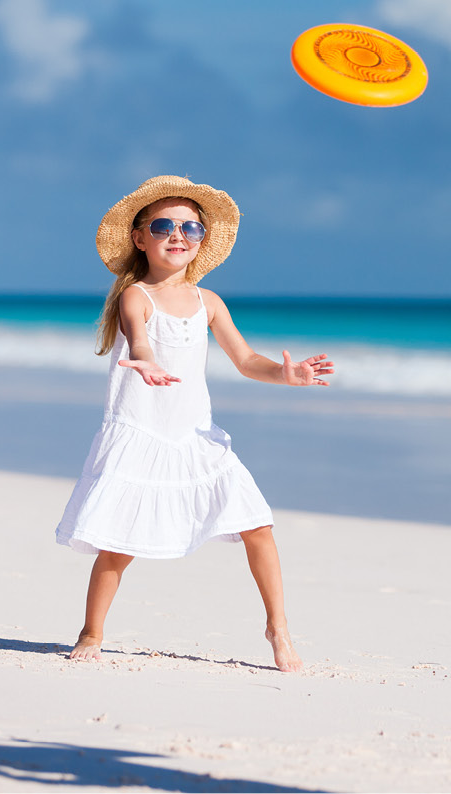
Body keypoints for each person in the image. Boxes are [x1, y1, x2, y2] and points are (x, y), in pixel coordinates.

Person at [55, 175, 333, 673]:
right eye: (163, 225)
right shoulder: (136, 295)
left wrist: (286, 374)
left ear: (202, 239)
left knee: (259, 526)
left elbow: (246, 360)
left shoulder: (210, 303)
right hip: (142, 433)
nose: (177, 234)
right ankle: (91, 632)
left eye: (191, 226)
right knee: (118, 546)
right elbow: (139, 339)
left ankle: (279, 629)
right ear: (140, 237)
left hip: (196, 437)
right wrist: (146, 359)